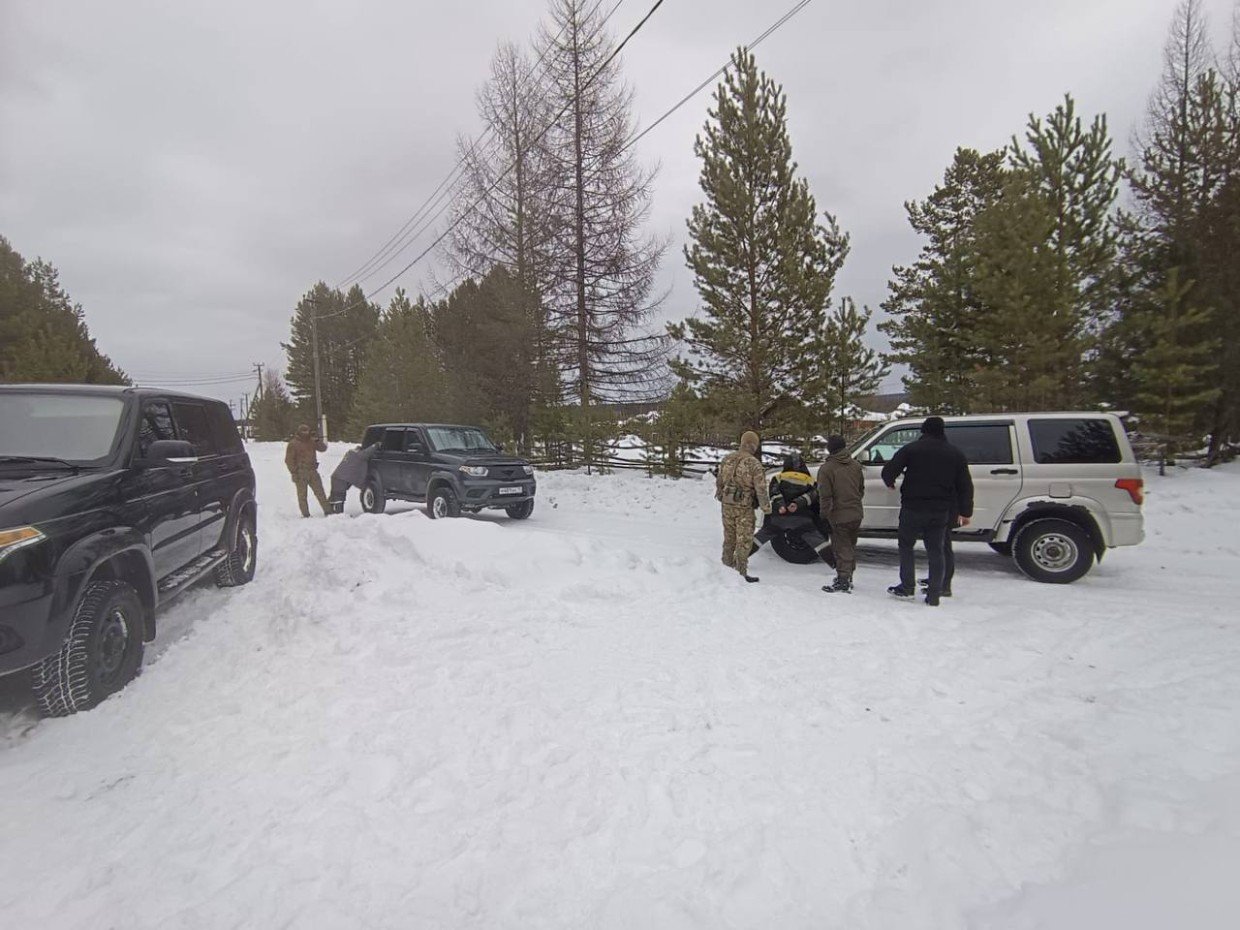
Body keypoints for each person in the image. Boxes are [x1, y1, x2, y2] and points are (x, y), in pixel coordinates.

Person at [880, 416, 973, 606]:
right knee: (936, 551)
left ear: (923, 430)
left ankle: (907, 587)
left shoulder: (912, 449)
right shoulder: (955, 453)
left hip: (912, 508)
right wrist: (966, 512)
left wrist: (890, 482)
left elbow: (890, 469)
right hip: (940, 510)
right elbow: (965, 485)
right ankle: (934, 595)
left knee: (906, 546)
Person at [753, 453, 836, 568]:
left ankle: (739, 557)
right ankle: (835, 564)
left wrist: (781, 505)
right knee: (819, 542)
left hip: (779, 518)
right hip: (802, 518)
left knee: (760, 538)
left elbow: (774, 494)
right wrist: (797, 503)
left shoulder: (778, 477)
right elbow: (813, 495)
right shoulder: (810, 480)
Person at [715, 430, 772, 583]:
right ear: (754, 445)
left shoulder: (727, 459)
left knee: (729, 538)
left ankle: (725, 570)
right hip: (744, 508)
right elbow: (760, 489)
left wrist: (721, 496)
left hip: (727, 505)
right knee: (744, 540)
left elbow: (719, 482)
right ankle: (740, 573)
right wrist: (766, 508)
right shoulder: (754, 464)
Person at [817, 434, 865, 593]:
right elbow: (860, 489)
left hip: (839, 515)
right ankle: (848, 575)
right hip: (856, 512)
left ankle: (843, 580)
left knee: (841, 547)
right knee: (850, 545)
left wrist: (823, 516)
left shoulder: (827, 469)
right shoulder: (856, 466)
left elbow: (825, 496)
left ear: (829, 449)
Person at [285, 424, 331, 518]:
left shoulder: (312, 441)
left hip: (313, 471)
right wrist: (294, 472)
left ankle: (328, 512)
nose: (306, 433)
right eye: (303, 431)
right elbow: (289, 460)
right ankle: (306, 515)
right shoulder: (293, 444)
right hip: (300, 472)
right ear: (299, 432)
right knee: (302, 495)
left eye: (307, 431)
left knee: (320, 492)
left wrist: (317, 440)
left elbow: (323, 449)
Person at [329, 442, 379, 514]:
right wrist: (376, 445)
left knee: (334, 495)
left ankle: (328, 511)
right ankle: (338, 514)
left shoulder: (351, 453)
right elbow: (366, 453)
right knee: (339, 496)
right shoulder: (359, 455)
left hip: (337, 476)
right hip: (342, 478)